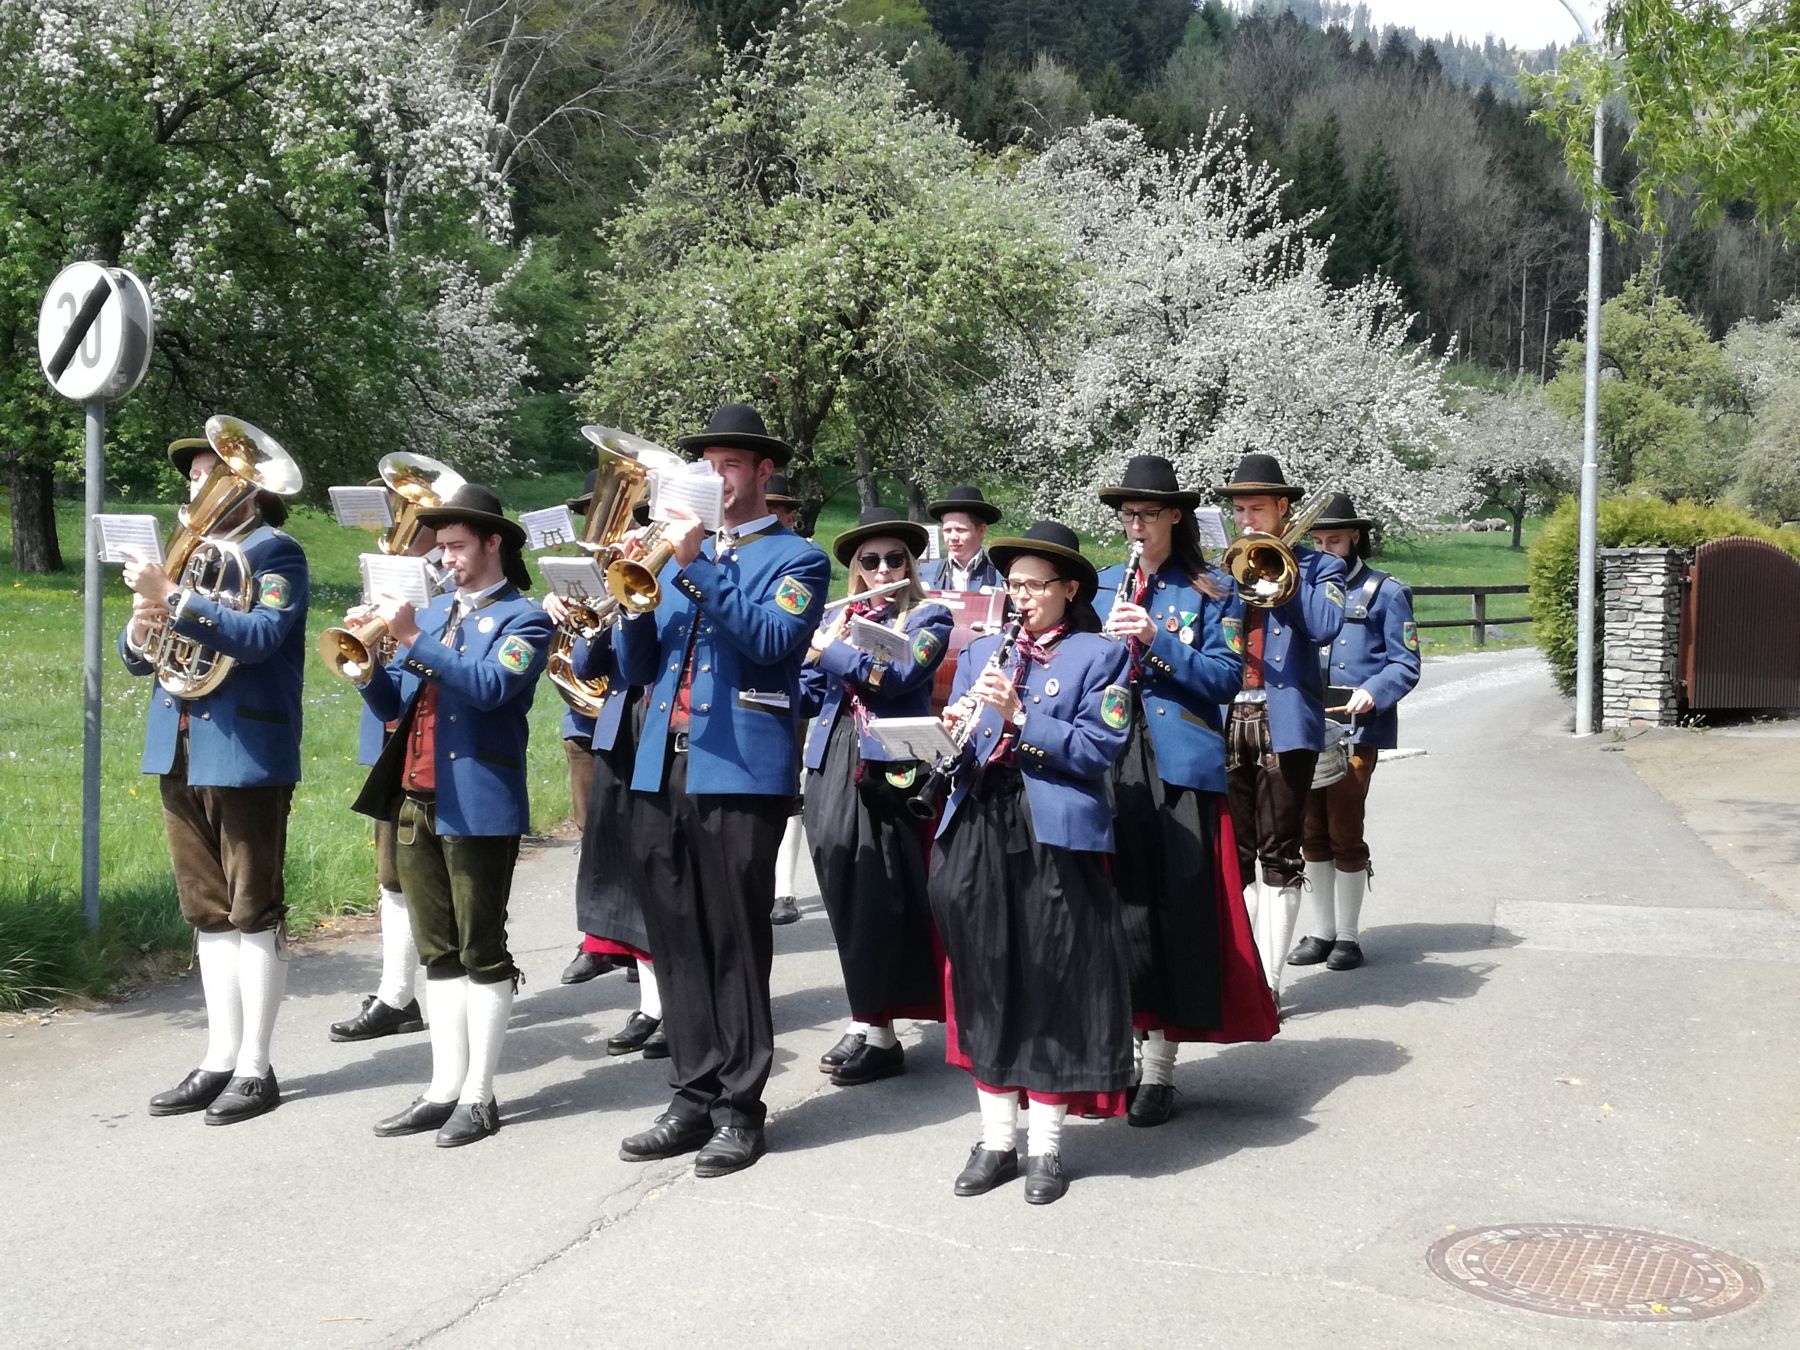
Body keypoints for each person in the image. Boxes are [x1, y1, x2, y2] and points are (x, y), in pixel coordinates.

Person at [613, 404, 829, 1179]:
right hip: (660, 764)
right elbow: (637, 669)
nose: (716, 476)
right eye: (705, 464)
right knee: (673, 937)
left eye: (730, 464)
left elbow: (773, 642)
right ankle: (691, 1093)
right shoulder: (669, 555)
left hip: (739, 769)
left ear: (763, 473)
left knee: (735, 939)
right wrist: (628, 597)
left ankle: (741, 1107)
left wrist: (698, 563)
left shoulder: (797, 558)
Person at [929, 520, 1133, 1206]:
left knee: (1050, 978)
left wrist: (1020, 721)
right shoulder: (988, 647)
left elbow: (1097, 751)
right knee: (983, 976)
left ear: (1068, 589)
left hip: (1051, 832)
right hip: (979, 820)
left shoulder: (1098, 657)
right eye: (1011, 584)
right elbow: (964, 737)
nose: (1019, 596)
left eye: (1033, 586)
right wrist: (947, 732)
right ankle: (996, 1140)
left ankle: (1045, 1147)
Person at [350, 484, 553, 1147]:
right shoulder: (433, 615)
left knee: (481, 950)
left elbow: (494, 688)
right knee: (437, 955)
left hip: (480, 805)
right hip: (414, 798)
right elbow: (395, 704)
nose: (447, 558)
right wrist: (366, 666)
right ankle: (442, 1088)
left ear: (493, 543)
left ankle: (480, 1094)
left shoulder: (525, 620)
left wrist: (414, 637)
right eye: (441, 548)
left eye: (458, 546)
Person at [122, 430, 308, 1126]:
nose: (195, 489)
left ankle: (257, 1068)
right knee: (207, 912)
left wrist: (174, 596)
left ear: (246, 488)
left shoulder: (275, 553)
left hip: (245, 751)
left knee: (252, 908)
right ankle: (218, 1056)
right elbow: (140, 656)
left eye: (209, 477)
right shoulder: (192, 557)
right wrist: (146, 622)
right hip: (180, 746)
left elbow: (261, 638)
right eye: (198, 477)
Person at [1095, 457, 1277, 1128]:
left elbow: (1226, 679)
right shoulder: (1106, 585)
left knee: (1177, 915)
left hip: (1179, 766)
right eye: (1127, 516)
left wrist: (1158, 640)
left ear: (1175, 515)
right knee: (1122, 913)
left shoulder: (1214, 591)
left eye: (1146, 514)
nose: (1135, 526)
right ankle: (1121, 1048)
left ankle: (1162, 1069)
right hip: (1113, 759)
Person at [798, 507, 953, 1087]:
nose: (883, 568)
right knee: (842, 884)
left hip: (888, 762)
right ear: (856, 571)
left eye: (895, 558)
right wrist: (808, 657)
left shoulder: (929, 615)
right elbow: (811, 691)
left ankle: (881, 1030)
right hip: (832, 753)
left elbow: (900, 674)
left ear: (910, 564)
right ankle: (867, 1018)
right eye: (871, 561)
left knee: (882, 891)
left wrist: (830, 650)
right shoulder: (841, 618)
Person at [1217, 454, 1347, 1006]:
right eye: (1240, 509)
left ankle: (1270, 980)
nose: (1247, 519)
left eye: (1257, 509)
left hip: (1285, 719)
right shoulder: (1224, 564)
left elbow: (1324, 626)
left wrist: (1280, 578)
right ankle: (1244, 972)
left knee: (1280, 849)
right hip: (1227, 716)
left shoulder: (1320, 569)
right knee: (1237, 849)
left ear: (1282, 510)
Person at [329, 477, 441, 1044]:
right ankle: (398, 992)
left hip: (436, 748)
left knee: (443, 878)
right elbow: (382, 682)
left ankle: (436, 989)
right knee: (390, 875)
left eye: (412, 518)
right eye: (399, 515)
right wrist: (366, 647)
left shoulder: (449, 583)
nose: (400, 529)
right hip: (390, 738)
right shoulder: (389, 576)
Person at [1289, 493, 1420, 971]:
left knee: (1344, 828)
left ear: (1356, 538)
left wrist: (1374, 691)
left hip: (1356, 727)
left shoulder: (1386, 592)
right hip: (1304, 725)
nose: (1326, 550)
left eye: (1336, 540)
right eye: (1318, 541)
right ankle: (1320, 931)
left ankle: (1347, 936)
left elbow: (1405, 664)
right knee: (1309, 831)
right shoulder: (1298, 586)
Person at [552, 471, 633, 986]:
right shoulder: (570, 572)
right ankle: (597, 940)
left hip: (632, 713)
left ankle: (637, 940)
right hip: (583, 719)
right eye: (593, 511)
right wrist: (552, 609)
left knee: (640, 833)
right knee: (593, 833)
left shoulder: (635, 564)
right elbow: (560, 651)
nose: (599, 522)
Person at [766, 472, 809, 926]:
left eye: (777, 509)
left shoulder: (800, 558)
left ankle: (785, 889)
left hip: (788, 684)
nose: (770, 514)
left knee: (788, 790)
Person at [924, 485, 1004, 593]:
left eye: (960, 530)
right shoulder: (924, 575)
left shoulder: (1002, 577)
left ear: (981, 530)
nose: (953, 537)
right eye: (947, 530)